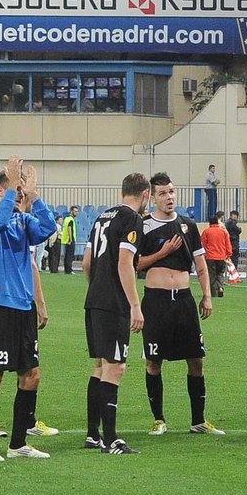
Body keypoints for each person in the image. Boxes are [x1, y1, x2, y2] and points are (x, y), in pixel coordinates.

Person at [0, 157, 55, 461]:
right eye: (15, 192)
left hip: (23, 307)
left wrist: (34, 195)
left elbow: (48, 227)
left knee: (31, 373)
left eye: (20, 194)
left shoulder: (24, 221)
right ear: (2, 193)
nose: (20, 198)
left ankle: (18, 444)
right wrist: (12, 191)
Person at [137, 172, 223, 438]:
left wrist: (206, 295)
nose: (169, 197)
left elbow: (200, 264)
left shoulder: (187, 225)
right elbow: (134, 264)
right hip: (156, 301)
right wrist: (162, 254)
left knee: (196, 359)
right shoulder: (144, 226)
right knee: (154, 361)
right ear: (152, 197)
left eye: (172, 192)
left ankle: (198, 420)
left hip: (184, 300)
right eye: (162, 193)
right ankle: (158, 419)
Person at [82, 173, 150, 455]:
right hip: (114, 304)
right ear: (145, 195)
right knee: (116, 367)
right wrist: (135, 305)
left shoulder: (102, 218)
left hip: (94, 300)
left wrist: (98, 287)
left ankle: (93, 434)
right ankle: (110, 440)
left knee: (100, 367)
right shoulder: (131, 219)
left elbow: (86, 263)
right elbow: (125, 264)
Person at [201, 214, 230, 298]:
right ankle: (220, 287)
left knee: (212, 274)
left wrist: (205, 254)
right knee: (220, 273)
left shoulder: (206, 231)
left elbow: (203, 244)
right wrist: (228, 254)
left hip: (210, 257)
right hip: (221, 256)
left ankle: (213, 292)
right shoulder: (223, 232)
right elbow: (227, 244)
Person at [60, 204, 78, 274]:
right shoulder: (71, 219)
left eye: (77, 211)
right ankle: (69, 270)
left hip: (66, 240)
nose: (76, 213)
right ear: (71, 211)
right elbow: (69, 229)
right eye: (75, 211)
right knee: (70, 256)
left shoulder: (66, 219)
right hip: (70, 240)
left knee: (67, 255)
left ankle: (66, 269)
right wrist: (70, 239)